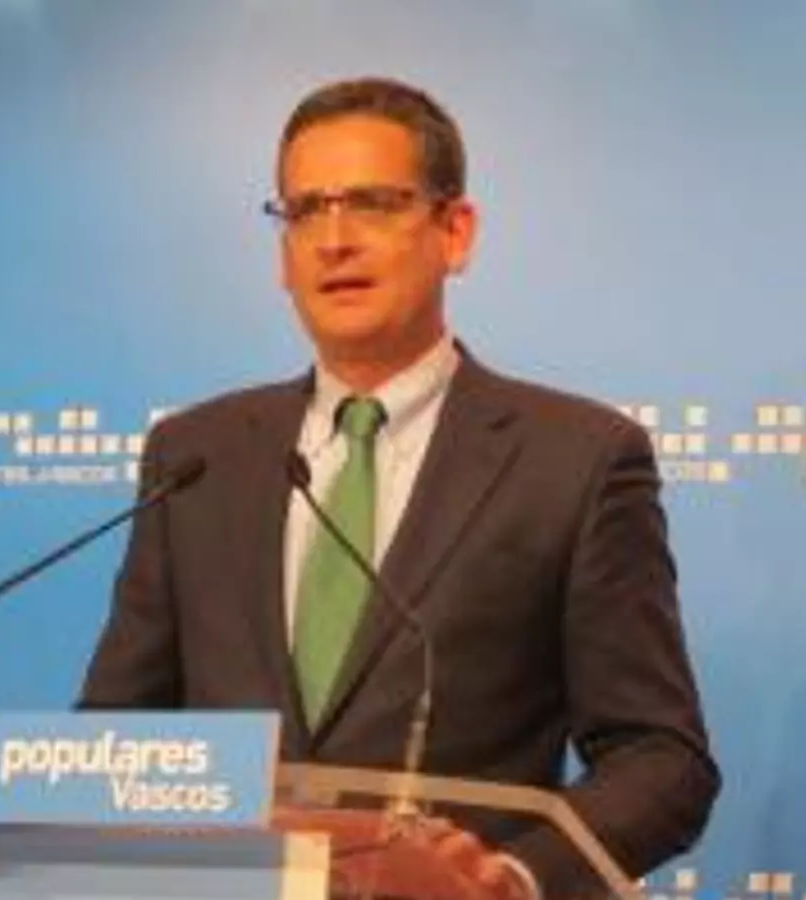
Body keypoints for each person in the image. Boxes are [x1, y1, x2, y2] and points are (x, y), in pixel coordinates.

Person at [79, 76, 719, 899]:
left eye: (373, 204)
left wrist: (510, 877)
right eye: (305, 210)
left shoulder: (577, 460)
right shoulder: (197, 456)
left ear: (455, 232)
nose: (333, 240)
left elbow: (660, 760)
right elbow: (117, 735)